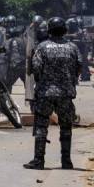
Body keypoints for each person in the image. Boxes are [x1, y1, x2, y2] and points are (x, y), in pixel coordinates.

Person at [23, 17, 82, 170]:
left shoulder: (42, 47)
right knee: (66, 127)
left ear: (48, 30)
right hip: (66, 94)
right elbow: (79, 68)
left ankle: (38, 160)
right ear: (65, 30)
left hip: (45, 93)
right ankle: (66, 161)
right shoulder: (73, 48)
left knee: (41, 126)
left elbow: (36, 69)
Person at [65, 17, 91, 81]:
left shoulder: (81, 30)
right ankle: (85, 75)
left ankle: (84, 76)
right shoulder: (79, 30)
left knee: (81, 61)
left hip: (82, 47)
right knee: (83, 61)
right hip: (82, 47)